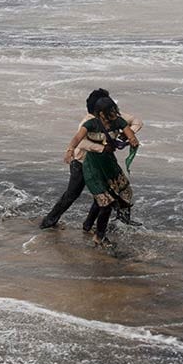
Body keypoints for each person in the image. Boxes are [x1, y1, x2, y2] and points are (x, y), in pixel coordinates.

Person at [39, 89, 142, 229]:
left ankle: (89, 225)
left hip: (102, 163)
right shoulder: (88, 122)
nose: (113, 110)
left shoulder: (113, 116)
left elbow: (137, 121)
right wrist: (102, 148)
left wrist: (127, 135)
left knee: (104, 194)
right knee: (72, 194)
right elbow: (80, 142)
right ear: (98, 111)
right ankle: (49, 222)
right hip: (82, 162)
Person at [64, 97, 139, 249]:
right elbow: (77, 138)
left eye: (113, 110)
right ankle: (99, 236)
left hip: (109, 165)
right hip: (93, 167)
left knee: (124, 194)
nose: (113, 113)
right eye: (109, 112)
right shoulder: (90, 124)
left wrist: (132, 139)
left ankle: (121, 224)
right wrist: (70, 150)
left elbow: (129, 131)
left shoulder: (117, 121)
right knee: (105, 202)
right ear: (100, 113)